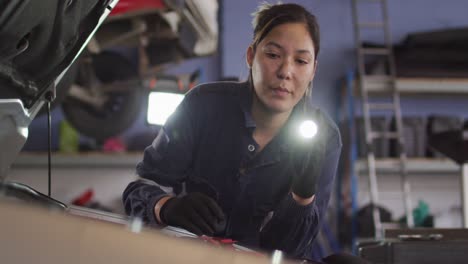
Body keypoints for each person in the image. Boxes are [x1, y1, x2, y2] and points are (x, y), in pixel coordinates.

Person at [123, 2, 345, 262]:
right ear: (251, 56)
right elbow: (140, 188)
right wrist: (165, 207)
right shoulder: (202, 106)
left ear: (313, 70)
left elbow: (293, 252)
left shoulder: (325, 139)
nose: (286, 72)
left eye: (301, 61)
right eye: (273, 55)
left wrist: (302, 197)